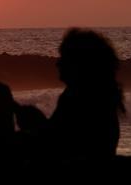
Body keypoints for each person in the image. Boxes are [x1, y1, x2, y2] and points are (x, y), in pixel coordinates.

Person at [44, 29, 124, 163]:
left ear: (80, 63)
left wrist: (37, 124)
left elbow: (58, 143)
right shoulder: (102, 95)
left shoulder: (77, 97)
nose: (57, 63)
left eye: (64, 58)